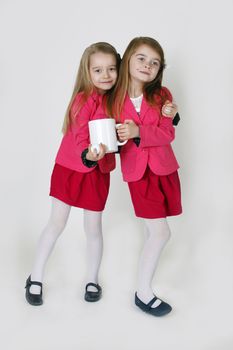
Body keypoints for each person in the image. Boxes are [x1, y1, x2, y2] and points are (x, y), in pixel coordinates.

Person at [25, 42, 120, 306]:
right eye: (98, 70)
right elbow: (79, 135)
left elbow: (118, 135)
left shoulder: (117, 101)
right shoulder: (82, 100)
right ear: (87, 72)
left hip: (98, 173)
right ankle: (36, 276)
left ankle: (92, 278)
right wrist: (88, 155)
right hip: (70, 168)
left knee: (93, 228)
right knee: (57, 223)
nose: (106, 75)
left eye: (111, 69)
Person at [107, 37, 182, 317]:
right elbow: (109, 137)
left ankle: (143, 288)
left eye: (154, 62)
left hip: (164, 169)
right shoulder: (112, 98)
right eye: (141, 58)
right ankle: (143, 293)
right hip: (139, 175)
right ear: (127, 59)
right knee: (161, 232)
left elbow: (168, 133)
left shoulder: (162, 95)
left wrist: (140, 132)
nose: (147, 65)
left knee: (155, 230)